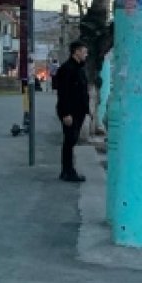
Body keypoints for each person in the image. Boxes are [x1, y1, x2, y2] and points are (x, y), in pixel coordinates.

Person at [53, 40, 90, 182]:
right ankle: (68, 171)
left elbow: (83, 90)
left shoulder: (79, 68)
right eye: (84, 51)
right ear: (76, 52)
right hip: (70, 112)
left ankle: (68, 170)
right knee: (69, 141)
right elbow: (63, 93)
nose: (86, 54)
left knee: (71, 140)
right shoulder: (67, 69)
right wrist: (66, 113)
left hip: (78, 111)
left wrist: (87, 109)